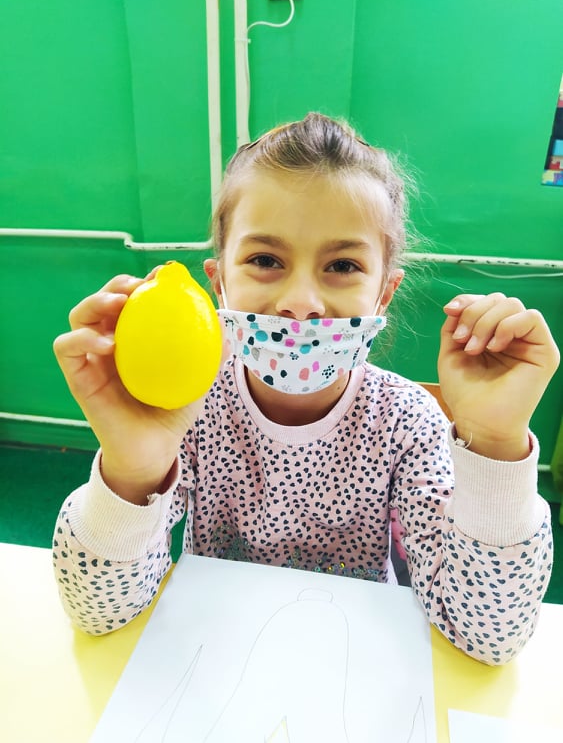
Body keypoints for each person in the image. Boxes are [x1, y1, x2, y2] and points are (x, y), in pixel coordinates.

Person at [52, 112, 559, 665]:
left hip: (356, 666)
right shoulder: (190, 408)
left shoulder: (406, 419)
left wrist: (496, 442)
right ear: (219, 283)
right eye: (265, 260)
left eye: (342, 265)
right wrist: (133, 468)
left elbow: (488, 638)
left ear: (384, 293)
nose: (301, 303)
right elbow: (98, 614)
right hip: (214, 664)